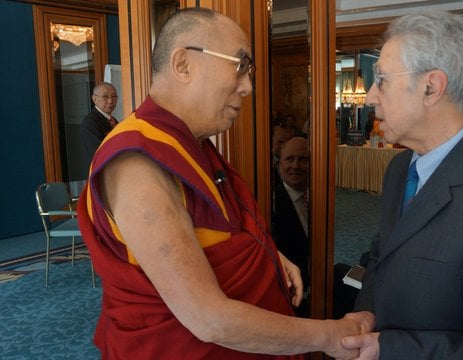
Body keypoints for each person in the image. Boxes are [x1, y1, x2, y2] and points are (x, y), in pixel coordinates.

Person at [77, 8, 363, 360]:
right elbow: (207, 318)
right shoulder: (137, 162)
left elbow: (224, 228)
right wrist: (331, 336)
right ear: (183, 64)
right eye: (239, 66)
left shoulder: (189, 144)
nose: (247, 87)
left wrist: (271, 255)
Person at [340, 10, 463, 360]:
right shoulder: (399, 167)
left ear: (432, 87)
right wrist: (367, 314)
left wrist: (388, 349)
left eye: (381, 79)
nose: (371, 96)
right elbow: (381, 255)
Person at [272, 137, 310, 316]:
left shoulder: (321, 195)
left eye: (303, 159)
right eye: (289, 159)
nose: (296, 165)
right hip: (291, 296)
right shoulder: (270, 203)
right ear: (279, 165)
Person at [80, 82, 119, 167]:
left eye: (114, 96)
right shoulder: (90, 122)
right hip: (100, 172)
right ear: (94, 99)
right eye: (105, 96)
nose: (110, 101)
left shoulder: (113, 120)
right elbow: (100, 152)